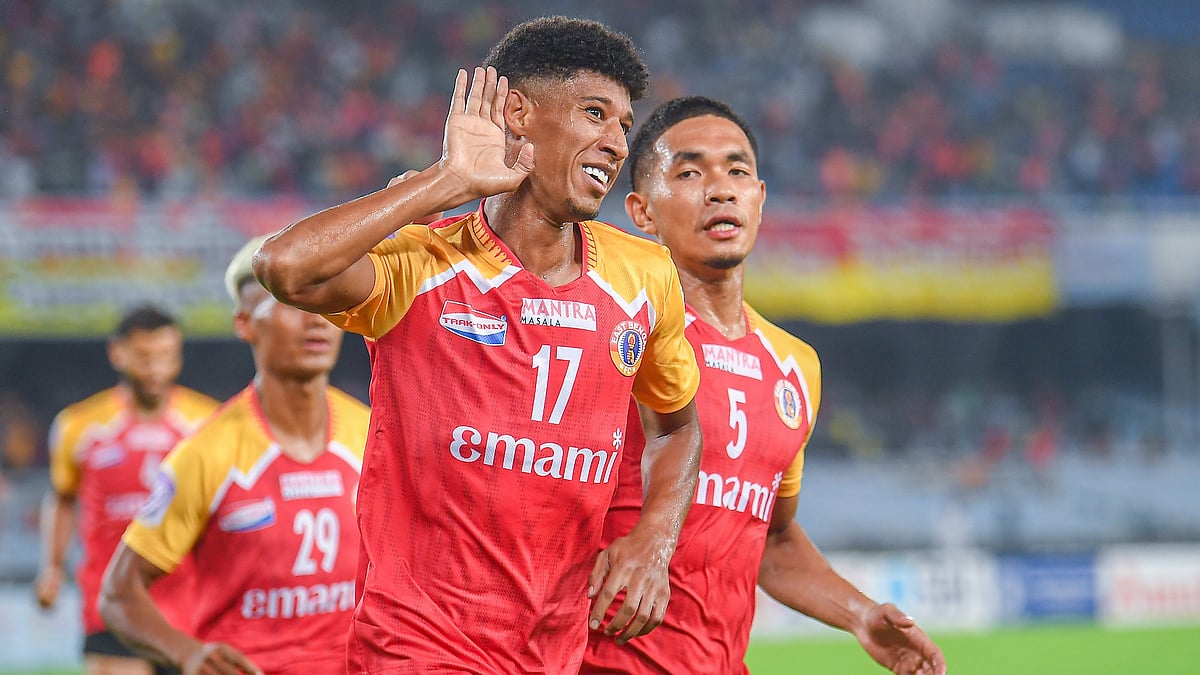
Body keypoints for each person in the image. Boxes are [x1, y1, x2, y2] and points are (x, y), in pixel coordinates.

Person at [253, 16, 703, 674]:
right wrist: (444, 182)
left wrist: (653, 541)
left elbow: (678, 427)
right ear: (517, 113)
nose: (614, 142)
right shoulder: (424, 263)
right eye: (594, 113)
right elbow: (284, 267)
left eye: (622, 126)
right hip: (417, 642)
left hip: (554, 647)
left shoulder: (645, 276)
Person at [580, 97, 947, 675]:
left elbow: (770, 541)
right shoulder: (615, 335)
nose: (721, 189)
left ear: (760, 198)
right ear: (642, 211)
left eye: (738, 170)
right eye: (690, 172)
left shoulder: (797, 367)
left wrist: (859, 614)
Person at [98, 237, 371, 674]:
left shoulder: (373, 432)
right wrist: (187, 653)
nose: (316, 321)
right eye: (290, 303)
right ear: (244, 324)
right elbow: (118, 593)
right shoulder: (206, 453)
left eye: (323, 301)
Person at [36, 305, 219, 675]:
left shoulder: (209, 422)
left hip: (191, 609)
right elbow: (62, 498)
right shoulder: (79, 425)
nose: (157, 367)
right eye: (145, 357)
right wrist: (52, 568)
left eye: (167, 356)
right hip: (112, 607)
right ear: (117, 353)